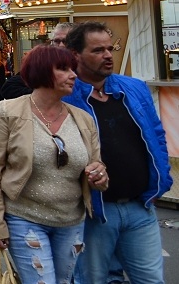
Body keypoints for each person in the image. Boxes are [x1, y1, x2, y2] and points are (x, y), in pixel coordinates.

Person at [0, 45, 108, 283]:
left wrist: (99, 176)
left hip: (71, 222)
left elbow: (97, 169)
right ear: (41, 71)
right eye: (63, 69)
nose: (73, 75)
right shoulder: (9, 112)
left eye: (73, 69)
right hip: (24, 219)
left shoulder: (83, 119)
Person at [64, 22, 172, 283]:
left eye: (109, 49)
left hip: (140, 206)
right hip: (94, 213)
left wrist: (162, 178)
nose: (108, 55)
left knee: (151, 280)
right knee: (92, 280)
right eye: (98, 50)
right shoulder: (65, 96)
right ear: (76, 55)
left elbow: (156, 134)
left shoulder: (133, 88)